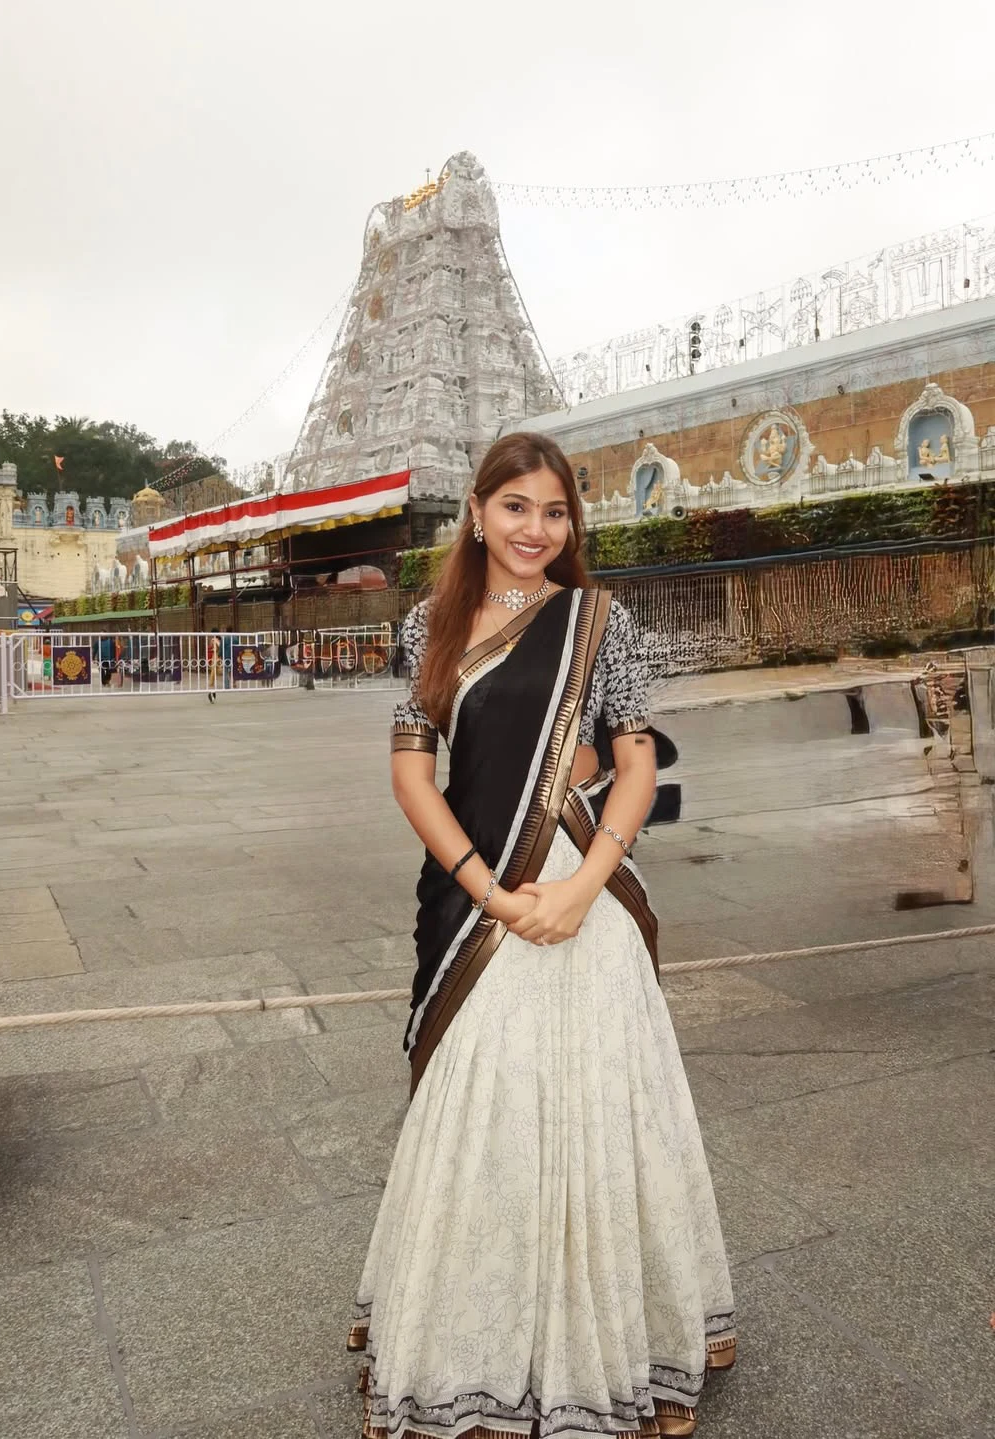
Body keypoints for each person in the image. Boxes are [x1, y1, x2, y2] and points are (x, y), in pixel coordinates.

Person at [349, 433, 734, 1439]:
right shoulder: (428, 626)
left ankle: (621, 1343)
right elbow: (411, 776)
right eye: (515, 506)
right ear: (477, 513)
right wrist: (492, 891)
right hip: (480, 897)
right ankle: (469, 1348)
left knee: (603, 1111)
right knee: (488, 1109)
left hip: (584, 891)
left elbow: (637, 764)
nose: (535, 528)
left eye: (554, 511)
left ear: (573, 522)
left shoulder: (602, 622)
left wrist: (581, 887)